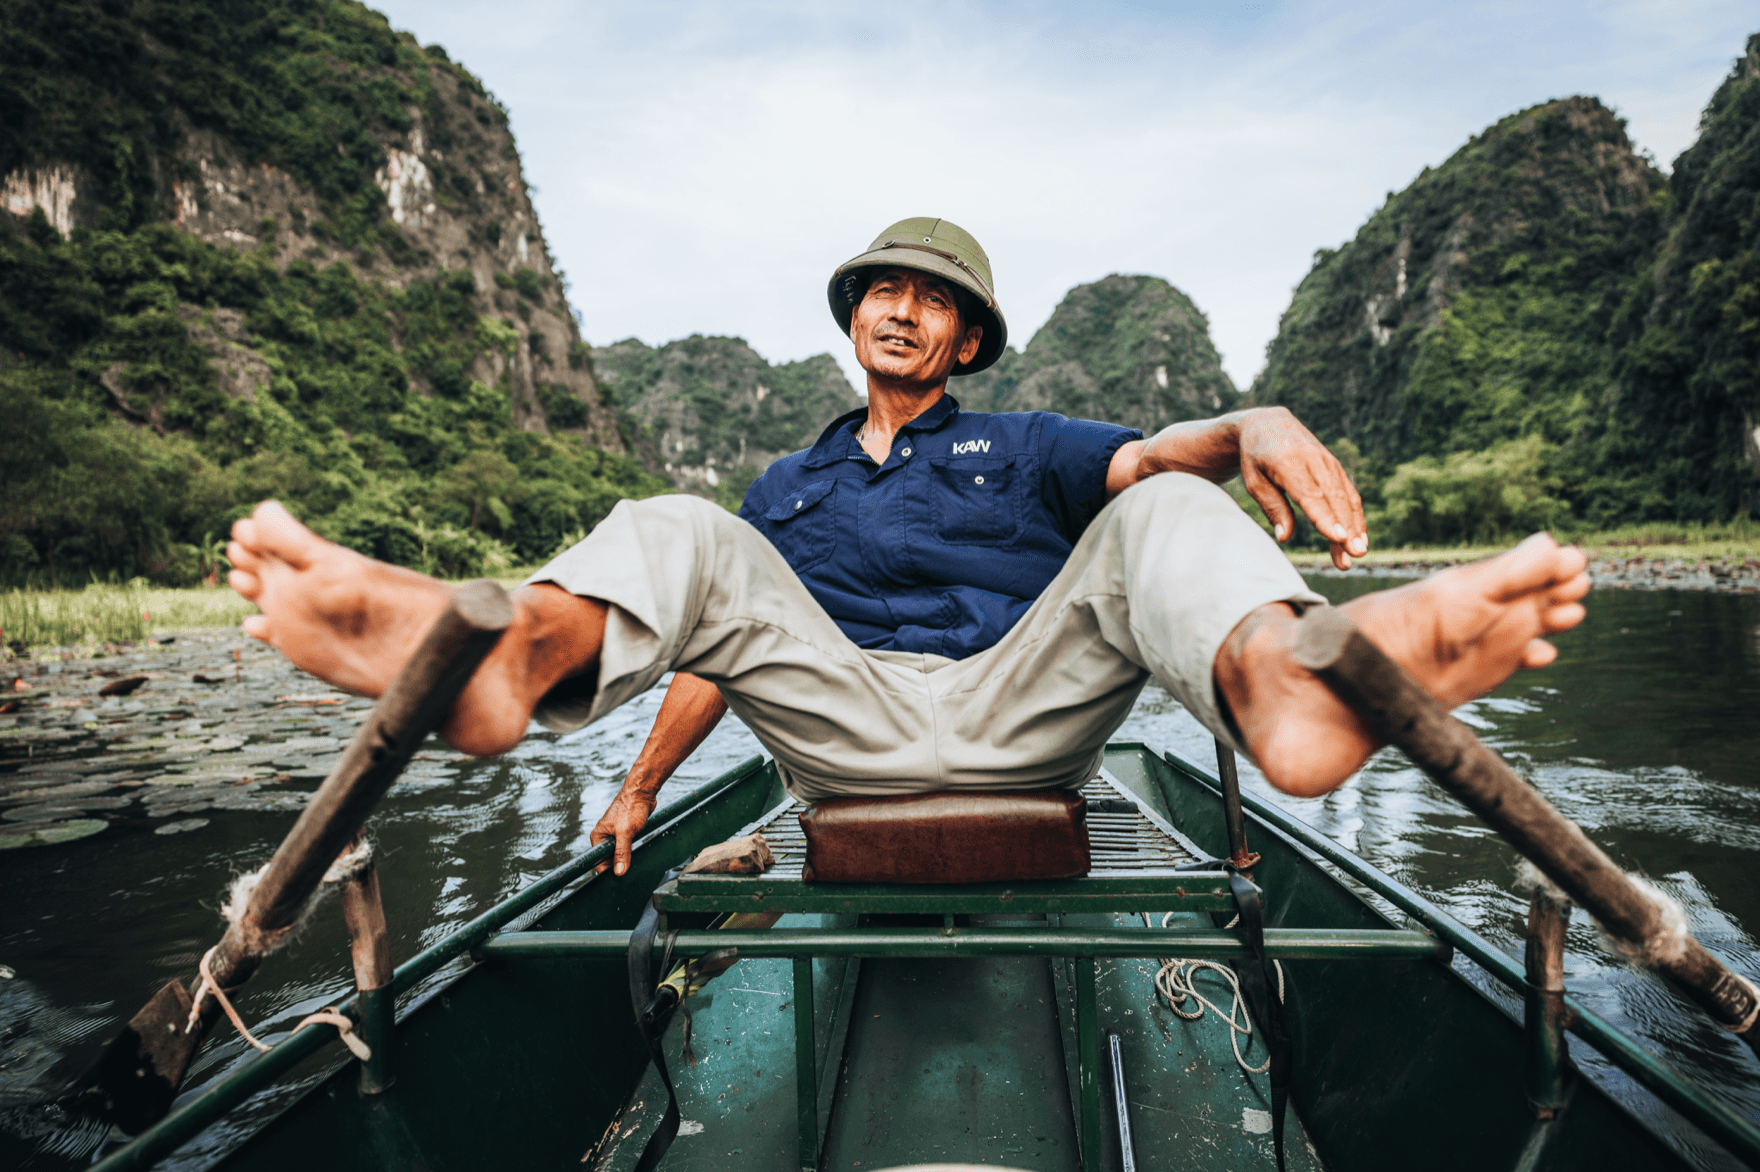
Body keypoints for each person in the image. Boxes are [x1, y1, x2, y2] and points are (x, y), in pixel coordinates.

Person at [226, 218, 1590, 878]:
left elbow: (1156, 459)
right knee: (688, 533)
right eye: (885, 288)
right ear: (855, 316)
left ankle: (1298, 684)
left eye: (934, 302)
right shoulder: (788, 481)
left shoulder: (1031, 443)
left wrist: (1243, 420)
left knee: (1164, 511)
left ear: (967, 342)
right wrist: (641, 786)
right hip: (845, 728)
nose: (903, 310)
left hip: (1024, 715)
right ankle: (499, 659)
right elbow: (716, 641)